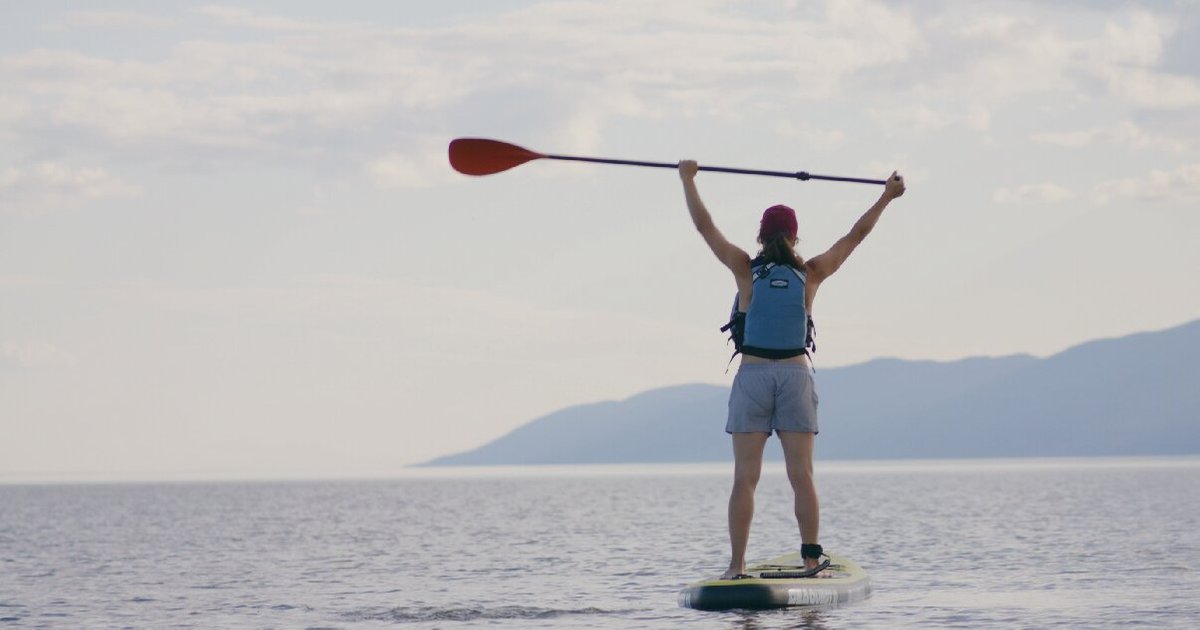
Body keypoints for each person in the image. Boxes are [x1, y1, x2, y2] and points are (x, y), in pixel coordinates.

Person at [678, 159, 905, 579]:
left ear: (761, 237)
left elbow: (705, 227)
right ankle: (811, 559)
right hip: (796, 376)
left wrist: (687, 179)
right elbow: (856, 235)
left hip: (753, 376)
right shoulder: (812, 273)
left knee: (745, 478)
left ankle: (735, 567)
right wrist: (886, 197)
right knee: (802, 475)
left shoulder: (745, 269)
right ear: (796, 236)